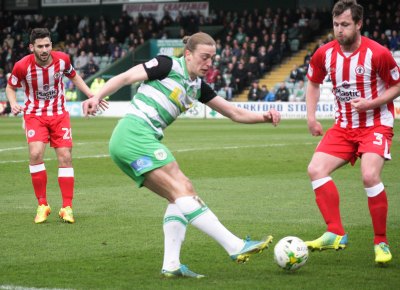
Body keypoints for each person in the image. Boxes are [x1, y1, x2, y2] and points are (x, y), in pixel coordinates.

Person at [82, 32, 281, 278]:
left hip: (136, 139)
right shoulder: (167, 64)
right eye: (204, 57)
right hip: (134, 133)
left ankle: (171, 265)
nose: (209, 64)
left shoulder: (198, 87)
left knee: (178, 198)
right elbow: (125, 76)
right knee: (184, 187)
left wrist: (264, 117)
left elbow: (233, 112)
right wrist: (96, 96)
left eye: (212, 58)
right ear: (188, 55)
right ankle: (235, 245)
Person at [305, 0, 400, 265]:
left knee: (370, 176)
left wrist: (371, 103)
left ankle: (380, 241)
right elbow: (313, 82)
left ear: (359, 24)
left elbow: (397, 86)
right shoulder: (324, 53)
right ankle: (335, 232)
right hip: (344, 127)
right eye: (335, 25)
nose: (339, 30)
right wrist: (311, 117)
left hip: (375, 124)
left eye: (345, 24)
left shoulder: (378, 53)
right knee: (315, 169)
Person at [5, 28, 106, 224]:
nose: (44, 50)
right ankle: (42, 204)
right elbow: (11, 86)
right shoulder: (21, 66)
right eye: (40, 46)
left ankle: (67, 207)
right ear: (31, 47)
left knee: (66, 157)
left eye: (47, 45)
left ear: (51, 45)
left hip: (59, 114)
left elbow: (74, 76)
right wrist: (13, 103)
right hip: (34, 114)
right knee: (35, 154)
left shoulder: (62, 60)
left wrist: (91, 95)